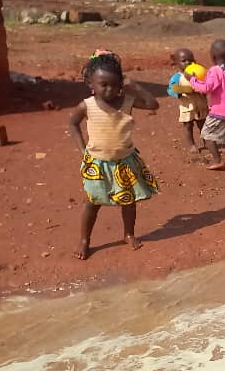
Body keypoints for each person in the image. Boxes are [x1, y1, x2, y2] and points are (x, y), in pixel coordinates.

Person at [67, 50, 160, 260]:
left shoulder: (127, 101)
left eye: (115, 85)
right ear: (91, 84)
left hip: (124, 162)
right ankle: (85, 240)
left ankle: (128, 234)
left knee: (128, 201)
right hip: (97, 164)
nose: (110, 89)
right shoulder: (87, 105)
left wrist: (135, 87)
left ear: (121, 84)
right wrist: (82, 149)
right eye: (103, 85)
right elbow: (73, 124)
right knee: (92, 203)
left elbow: (153, 104)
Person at [188, 39, 225, 170]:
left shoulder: (215, 70)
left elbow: (206, 88)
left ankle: (218, 160)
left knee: (207, 135)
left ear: (212, 56)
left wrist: (192, 80)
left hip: (219, 112)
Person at [167, 48, 209, 154]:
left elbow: (207, 86)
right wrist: (183, 91)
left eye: (191, 60)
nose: (188, 63)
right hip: (187, 106)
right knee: (188, 126)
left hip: (201, 105)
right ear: (176, 63)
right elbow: (171, 89)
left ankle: (207, 142)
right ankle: (191, 144)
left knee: (203, 124)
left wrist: (203, 89)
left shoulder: (199, 73)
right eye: (183, 61)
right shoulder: (177, 77)